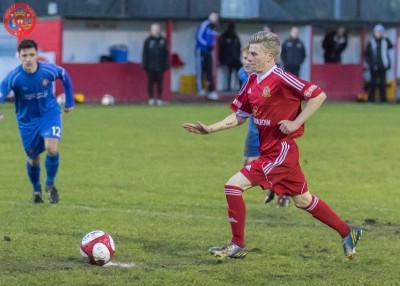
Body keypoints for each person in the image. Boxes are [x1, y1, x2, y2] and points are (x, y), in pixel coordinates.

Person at [183, 31, 362, 261]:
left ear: (269, 56)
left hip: (281, 150)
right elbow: (239, 116)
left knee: (233, 186)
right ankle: (348, 232)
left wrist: (296, 121)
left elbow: (318, 95)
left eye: (255, 54)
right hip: (271, 150)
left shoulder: (281, 78)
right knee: (303, 200)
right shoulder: (251, 80)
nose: (250, 57)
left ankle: (237, 245)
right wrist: (210, 129)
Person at [0, 39, 74, 204]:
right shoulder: (14, 77)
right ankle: (36, 189)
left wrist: (70, 101)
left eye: (31, 55)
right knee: (33, 159)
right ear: (18, 56)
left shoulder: (48, 70)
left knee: (51, 148)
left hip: (49, 114)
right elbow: (1, 92)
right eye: (24, 55)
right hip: (27, 121)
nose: (28, 59)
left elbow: (64, 75)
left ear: (37, 55)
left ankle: (50, 184)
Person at [238, 45, 290, 208]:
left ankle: (283, 192)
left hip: (270, 130)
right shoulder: (243, 74)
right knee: (248, 163)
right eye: (244, 58)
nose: (247, 61)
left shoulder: (270, 77)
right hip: (254, 128)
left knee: (263, 164)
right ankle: (276, 188)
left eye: (250, 58)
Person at [142, 23, 169, 106]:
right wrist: (145, 64)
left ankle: (159, 99)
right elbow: (145, 54)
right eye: (154, 29)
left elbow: (166, 54)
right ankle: (151, 99)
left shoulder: (163, 40)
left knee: (160, 83)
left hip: (160, 66)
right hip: (150, 66)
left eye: (157, 28)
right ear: (151, 30)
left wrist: (166, 64)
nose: (155, 30)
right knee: (150, 83)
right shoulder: (148, 41)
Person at [365, 24, 393, 103]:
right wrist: (370, 64)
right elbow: (367, 54)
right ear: (374, 32)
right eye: (378, 32)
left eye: (381, 32)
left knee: (382, 84)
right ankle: (371, 99)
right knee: (373, 83)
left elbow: (391, 45)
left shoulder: (385, 41)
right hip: (373, 66)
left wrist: (385, 37)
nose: (379, 33)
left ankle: (383, 100)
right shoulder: (371, 41)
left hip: (383, 66)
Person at [195, 12, 219, 100]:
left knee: (209, 71)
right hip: (201, 50)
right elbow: (198, 36)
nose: (215, 18)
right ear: (209, 16)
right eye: (213, 16)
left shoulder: (214, 27)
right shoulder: (205, 24)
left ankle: (211, 91)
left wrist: (211, 46)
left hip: (209, 52)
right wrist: (205, 44)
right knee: (200, 69)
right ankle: (199, 89)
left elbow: (213, 39)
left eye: (216, 17)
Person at [219, 22, 242, 91]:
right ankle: (228, 87)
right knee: (229, 72)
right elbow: (220, 49)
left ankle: (241, 87)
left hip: (235, 59)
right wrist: (220, 59)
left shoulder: (235, 37)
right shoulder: (224, 37)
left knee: (241, 71)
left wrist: (238, 57)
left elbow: (239, 48)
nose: (232, 29)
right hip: (227, 59)